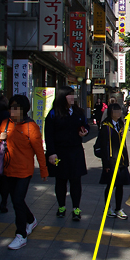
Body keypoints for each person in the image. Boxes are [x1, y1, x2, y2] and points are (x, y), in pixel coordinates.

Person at [0, 95, 48, 250]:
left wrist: (44, 171)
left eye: (16, 107)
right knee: (16, 200)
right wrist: (0, 137)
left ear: (24, 109)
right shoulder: (6, 123)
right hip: (7, 169)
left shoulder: (30, 127)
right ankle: (31, 219)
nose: (13, 110)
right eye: (11, 107)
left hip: (24, 171)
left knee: (17, 201)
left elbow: (39, 150)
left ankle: (21, 235)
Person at [45, 86, 90, 221]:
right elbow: (49, 135)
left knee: (76, 180)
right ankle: (61, 207)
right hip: (60, 152)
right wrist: (51, 153)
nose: (73, 98)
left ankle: (76, 208)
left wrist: (85, 131)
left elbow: (85, 126)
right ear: (62, 97)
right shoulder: (54, 114)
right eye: (69, 95)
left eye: (73, 95)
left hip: (76, 151)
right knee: (61, 181)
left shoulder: (78, 112)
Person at [98, 103, 130, 219]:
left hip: (121, 160)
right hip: (111, 161)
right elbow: (104, 146)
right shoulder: (106, 127)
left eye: (119, 110)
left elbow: (124, 144)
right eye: (115, 111)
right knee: (110, 186)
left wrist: (126, 161)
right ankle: (108, 208)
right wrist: (105, 163)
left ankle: (118, 208)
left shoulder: (121, 125)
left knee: (120, 186)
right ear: (110, 112)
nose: (118, 113)